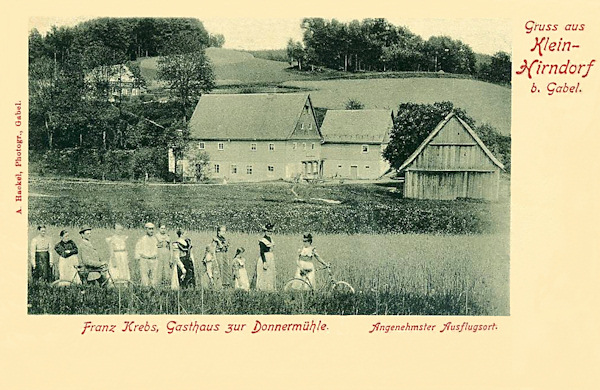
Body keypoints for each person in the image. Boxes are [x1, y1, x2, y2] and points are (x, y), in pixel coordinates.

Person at [135, 222, 160, 287]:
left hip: (153, 260)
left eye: (152, 229)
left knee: (154, 277)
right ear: (146, 229)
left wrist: (156, 256)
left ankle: (153, 290)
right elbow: (137, 250)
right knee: (144, 277)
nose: (151, 231)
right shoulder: (142, 239)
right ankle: (145, 291)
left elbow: (157, 249)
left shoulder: (155, 239)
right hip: (145, 260)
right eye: (149, 229)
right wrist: (138, 259)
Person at [256, 223, 276, 291]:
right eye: (268, 231)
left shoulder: (271, 240)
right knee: (264, 273)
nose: (269, 233)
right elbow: (262, 252)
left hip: (270, 257)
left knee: (270, 273)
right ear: (265, 231)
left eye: (270, 231)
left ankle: (269, 288)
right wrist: (264, 262)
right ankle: (263, 289)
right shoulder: (262, 241)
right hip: (265, 257)